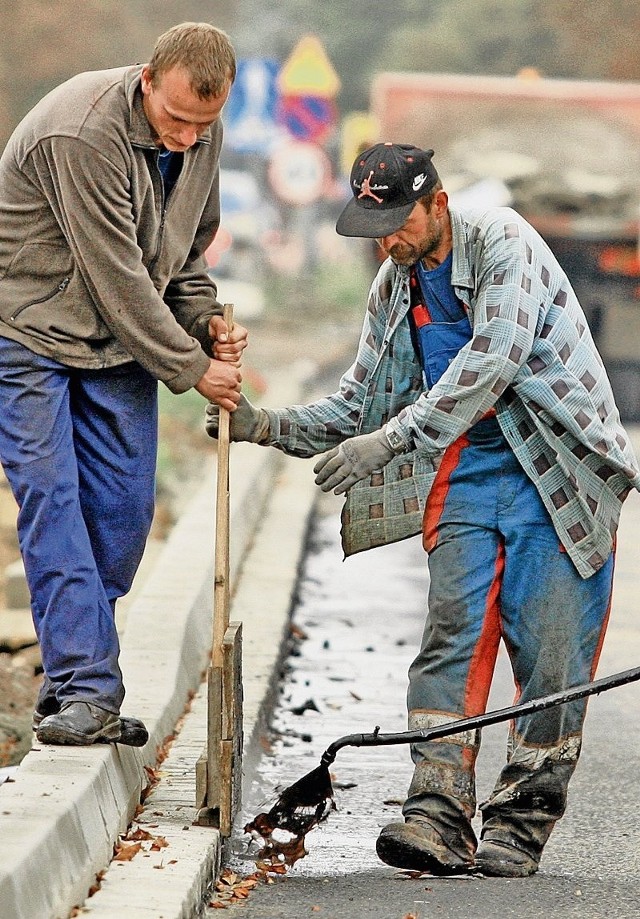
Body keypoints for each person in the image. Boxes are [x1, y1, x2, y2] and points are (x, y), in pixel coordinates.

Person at [205, 142, 640, 877]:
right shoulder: (394, 288)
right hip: (468, 472)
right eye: (376, 226)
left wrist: (391, 441)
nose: (389, 240)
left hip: (556, 472)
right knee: (450, 638)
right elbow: (362, 401)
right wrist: (264, 425)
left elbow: (491, 361)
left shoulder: (505, 245)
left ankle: (521, 822)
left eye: (398, 221)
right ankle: (436, 812)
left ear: (436, 203)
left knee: (553, 655)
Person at [0, 22, 248, 747]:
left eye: (204, 124)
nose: (185, 139)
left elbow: (183, 260)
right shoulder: (82, 134)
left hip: (117, 348)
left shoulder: (202, 135)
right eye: (175, 119)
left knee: (121, 515)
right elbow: (119, 279)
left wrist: (204, 324)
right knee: (53, 498)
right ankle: (86, 685)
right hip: (30, 333)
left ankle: (73, 677)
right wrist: (195, 370)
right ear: (146, 79)